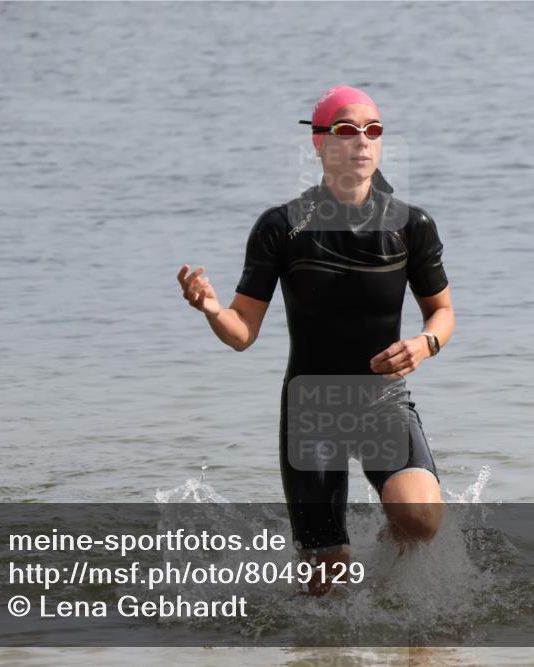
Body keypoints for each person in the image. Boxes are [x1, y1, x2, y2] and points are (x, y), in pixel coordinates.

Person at [177, 85, 454, 595]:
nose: (362, 142)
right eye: (347, 131)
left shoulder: (412, 226)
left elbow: (441, 312)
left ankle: (394, 592)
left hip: (381, 400)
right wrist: (213, 309)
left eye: (373, 131)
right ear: (320, 144)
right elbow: (242, 333)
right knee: (326, 585)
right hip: (312, 410)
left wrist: (425, 344)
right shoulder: (281, 228)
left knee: (421, 517)